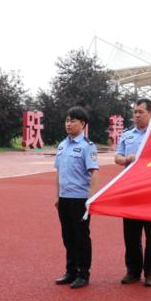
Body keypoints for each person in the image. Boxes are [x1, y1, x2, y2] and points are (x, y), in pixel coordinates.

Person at [114, 98, 151, 287]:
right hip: (130, 190)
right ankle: (133, 270)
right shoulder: (127, 135)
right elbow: (117, 157)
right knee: (131, 234)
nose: (137, 115)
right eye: (135, 112)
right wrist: (126, 159)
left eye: (141, 112)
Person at [54, 106, 99, 289]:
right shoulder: (62, 145)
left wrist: (91, 198)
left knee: (81, 237)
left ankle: (83, 273)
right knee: (68, 236)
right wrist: (57, 196)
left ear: (82, 124)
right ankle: (71, 271)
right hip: (64, 198)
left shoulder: (87, 146)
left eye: (72, 121)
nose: (68, 124)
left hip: (80, 199)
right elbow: (58, 173)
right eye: (67, 120)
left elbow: (94, 172)